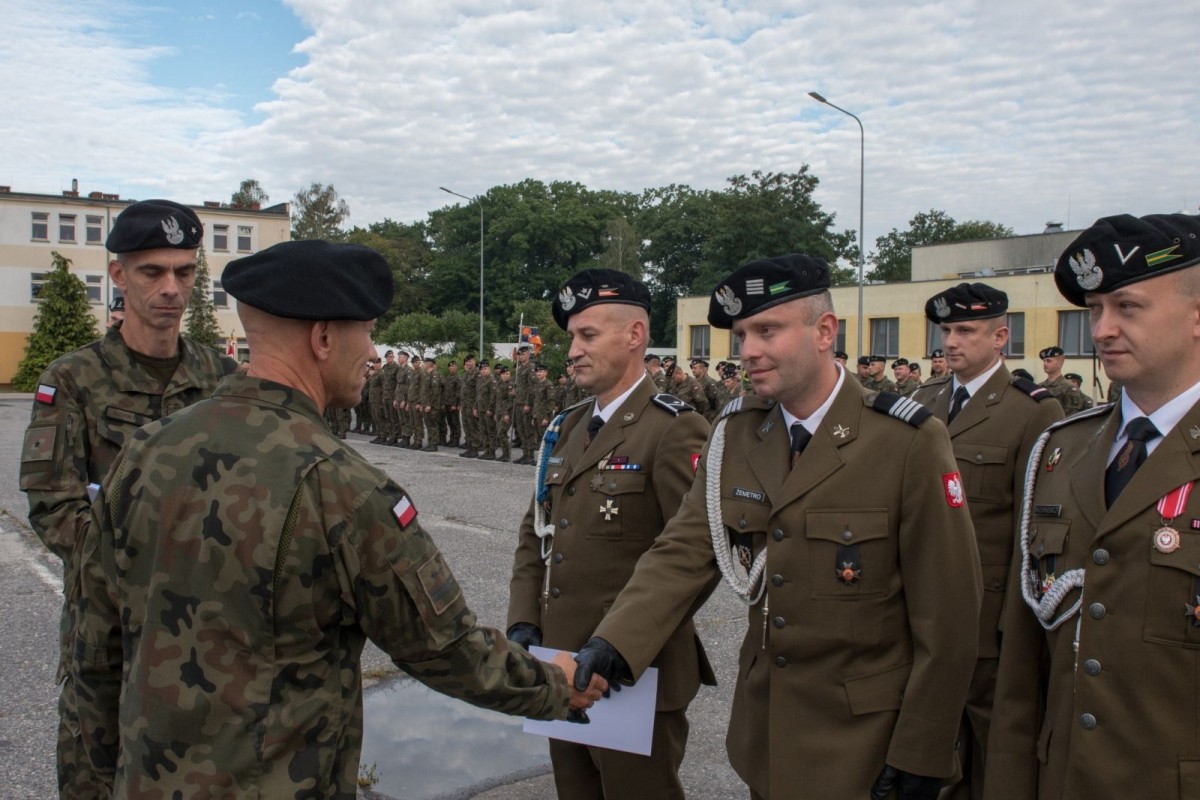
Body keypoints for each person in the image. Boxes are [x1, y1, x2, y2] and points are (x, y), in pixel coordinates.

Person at [72, 239, 606, 798]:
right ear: (323, 338)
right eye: (367, 333)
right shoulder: (343, 486)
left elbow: (96, 644)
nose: (373, 353)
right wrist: (553, 683)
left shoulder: (146, 451)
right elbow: (446, 649)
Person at [574, 254, 982, 800]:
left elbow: (949, 614)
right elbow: (686, 548)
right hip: (766, 732)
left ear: (824, 331)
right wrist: (614, 642)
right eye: (742, 334)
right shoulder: (740, 432)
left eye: (767, 330)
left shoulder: (905, 440)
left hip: (865, 740)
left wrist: (924, 750)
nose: (749, 352)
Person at [19, 198, 236, 798]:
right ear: (118, 275)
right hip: (108, 629)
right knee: (95, 775)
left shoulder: (220, 377)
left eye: (185, 272)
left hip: (204, 632)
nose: (171, 288)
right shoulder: (73, 381)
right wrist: (144, 559)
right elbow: (52, 506)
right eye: (152, 272)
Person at [986, 213, 1200, 800]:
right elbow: (1024, 658)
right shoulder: (1063, 449)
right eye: (1095, 309)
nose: (1102, 329)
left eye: (1127, 307)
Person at [508, 268, 714, 799]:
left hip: (631, 674)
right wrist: (524, 624)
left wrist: (620, 645)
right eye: (571, 337)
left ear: (635, 336)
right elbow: (537, 534)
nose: (572, 350)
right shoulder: (570, 426)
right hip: (559, 665)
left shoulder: (674, 427)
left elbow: (695, 550)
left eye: (588, 335)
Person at [912, 283, 1063, 800]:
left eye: (965, 331)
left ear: (1000, 336)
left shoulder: (1032, 412)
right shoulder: (922, 401)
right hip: (920, 614)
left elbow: (1033, 531)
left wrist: (1014, 627)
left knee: (991, 752)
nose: (950, 342)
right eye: (946, 330)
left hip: (987, 622)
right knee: (926, 748)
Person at [1038, 346, 1086, 416]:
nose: (1045, 364)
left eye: (1049, 361)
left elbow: (1072, 415)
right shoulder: (1040, 387)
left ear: (1060, 363)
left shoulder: (1069, 388)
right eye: (1044, 361)